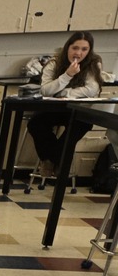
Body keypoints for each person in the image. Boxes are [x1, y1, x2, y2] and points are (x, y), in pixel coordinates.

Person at [26, 31, 103, 180]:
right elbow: (46, 90)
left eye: (84, 49)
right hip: (53, 109)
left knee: (80, 126)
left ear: (89, 50)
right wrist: (67, 75)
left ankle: (50, 161)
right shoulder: (55, 63)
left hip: (78, 109)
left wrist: (65, 92)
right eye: (75, 48)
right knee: (35, 123)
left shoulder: (93, 63)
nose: (78, 53)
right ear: (68, 47)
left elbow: (92, 88)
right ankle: (59, 162)